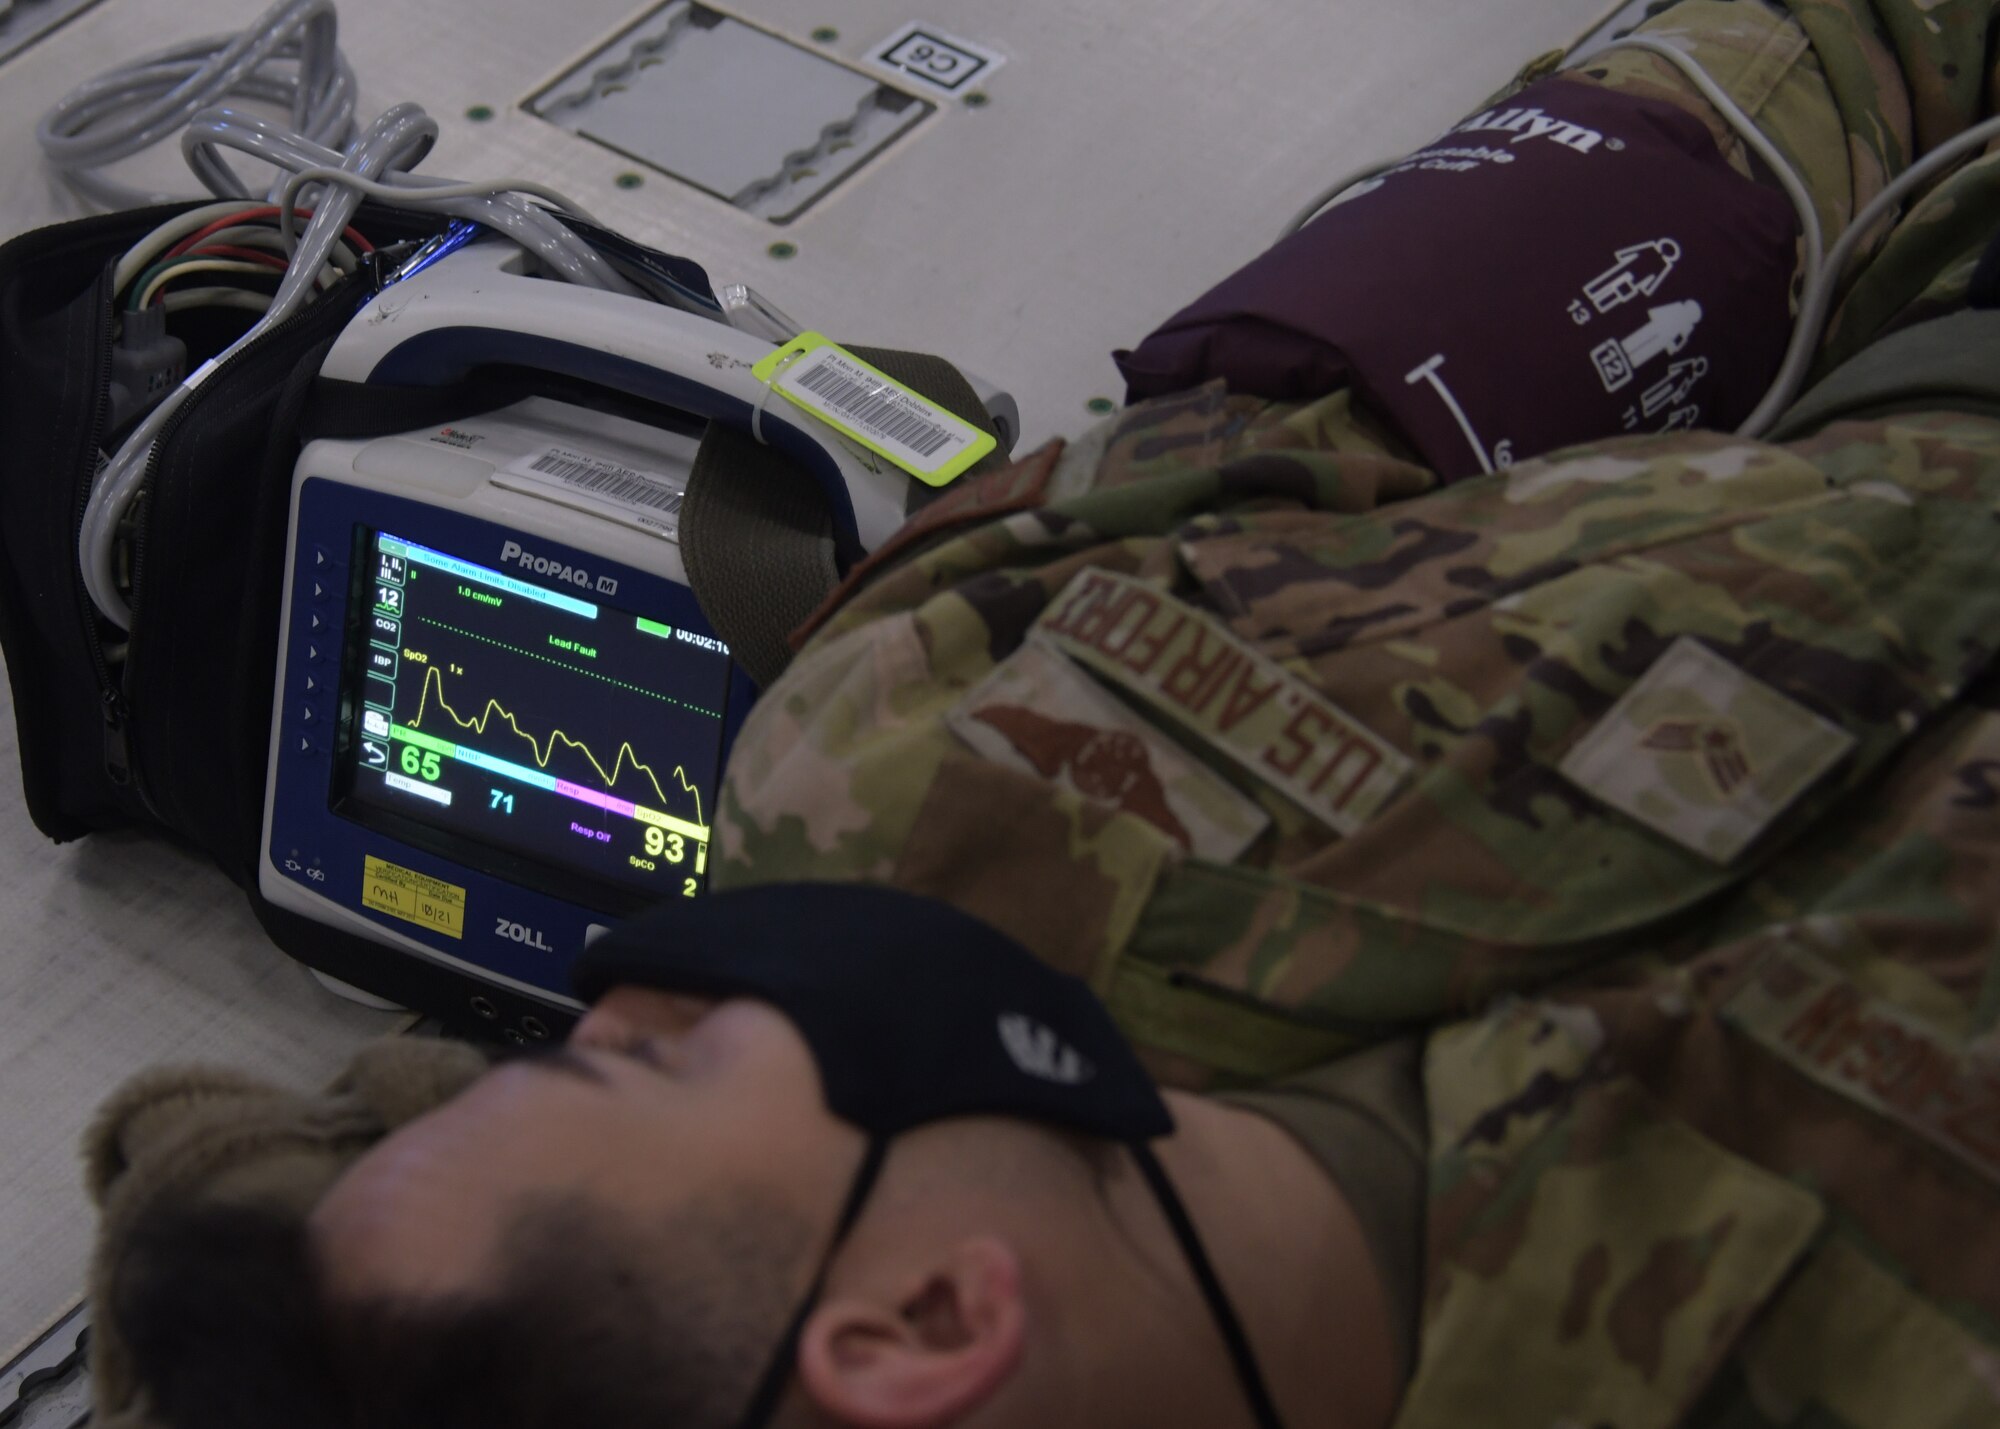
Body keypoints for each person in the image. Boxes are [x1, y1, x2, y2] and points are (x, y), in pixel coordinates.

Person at [81, 0, 2000, 1425]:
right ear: (919, 1323)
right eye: (629, 1063)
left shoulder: (921, 761)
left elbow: (1550, 248)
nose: (642, 960)